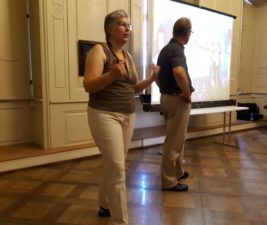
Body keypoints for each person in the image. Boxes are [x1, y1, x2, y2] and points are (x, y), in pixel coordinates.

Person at [83, 10, 160, 225]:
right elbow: (89, 85)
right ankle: (121, 221)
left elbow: (132, 87)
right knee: (118, 169)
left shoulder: (127, 56)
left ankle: (105, 204)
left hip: (127, 116)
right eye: (122, 24)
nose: (127, 29)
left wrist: (152, 78)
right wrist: (112, 74)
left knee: (114, 164)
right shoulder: (100, 51)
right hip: (104, 115)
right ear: (110, 29)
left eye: (129, 25)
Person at [156, 17, 195, 192]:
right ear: (187, 34)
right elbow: (179, 72)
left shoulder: (165, 49)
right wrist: (187, 95)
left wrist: (164, 90)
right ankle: (168, 181)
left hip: (167, 98)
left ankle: (178, 171)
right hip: (177, 101)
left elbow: (156, 75)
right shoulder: (177, 50)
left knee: (177, 139)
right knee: (174, 141)